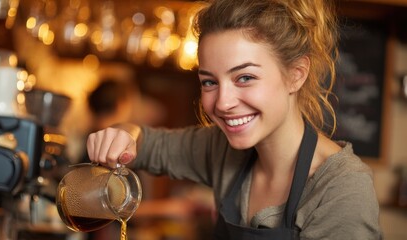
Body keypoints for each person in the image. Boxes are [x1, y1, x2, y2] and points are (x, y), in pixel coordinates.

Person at [86, 0, 382, 239]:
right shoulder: (222, 149)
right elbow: (146, 143)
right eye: (209, 82)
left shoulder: (341, 188)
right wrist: (121, 134)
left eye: (245, 77)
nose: (223, 103)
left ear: (296, 75)